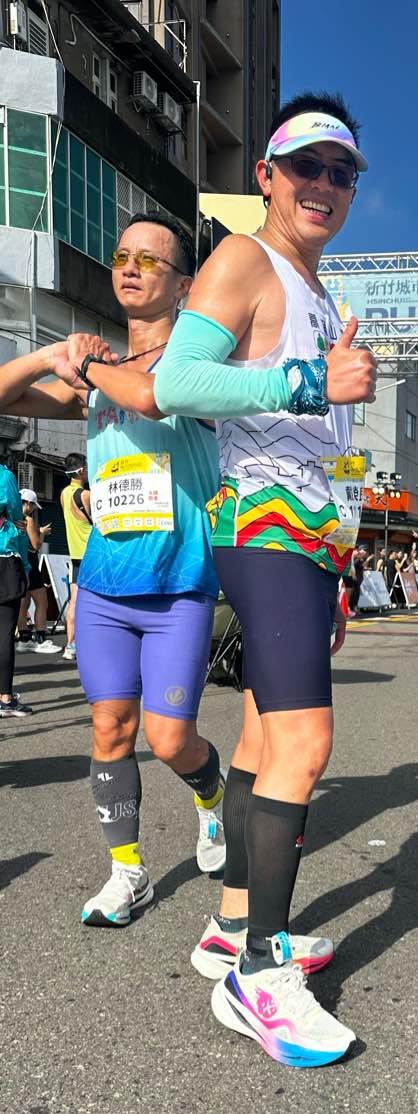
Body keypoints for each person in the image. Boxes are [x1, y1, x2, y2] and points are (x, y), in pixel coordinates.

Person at [153, 91, 377, 1068]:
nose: (324, 184)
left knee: (257, 738)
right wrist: (305, 381)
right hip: (262, 522)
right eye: (307, 166)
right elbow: (176, 382)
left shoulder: (319, 291)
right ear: (267, 177)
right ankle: (259, 976)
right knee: (305, 741)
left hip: (309, 537)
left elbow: (328, 448)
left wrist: (347, 547)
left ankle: (233, 923)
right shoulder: (244, 258)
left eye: (342, 171)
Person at [0, 213, 242, 925]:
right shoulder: (96, 375)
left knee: (169, 739)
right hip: (105, 587)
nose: (131, 268)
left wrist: (89, 368)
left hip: (178, 587)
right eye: (122, 256)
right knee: (110, 730)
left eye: (151, 260)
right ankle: (128, 873)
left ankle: (212, 795)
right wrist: (52, 355)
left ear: (185, 285)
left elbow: (150, 394)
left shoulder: (195, 368)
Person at [0, 463, 32, 717]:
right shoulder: (4, 476)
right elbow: (16, 515)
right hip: (4, 560)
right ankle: (5, 698)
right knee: (3, 633)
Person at [16, 488, 59, 654]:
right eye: (33, 505)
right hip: (31, 563)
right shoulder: (28, 520)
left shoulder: (12, 518)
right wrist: (41, 533)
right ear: (28, 503)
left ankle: (24, 638)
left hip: (17, 563)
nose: (34, 509)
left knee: (23, 603)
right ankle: (41, 638)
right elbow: (35, 545)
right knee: (42, 602)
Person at [60, 453, 92, 660]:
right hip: (91, 554)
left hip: (75, 555)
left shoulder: (64, 494)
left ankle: (70, 645)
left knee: (74, 601)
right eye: (86, 468)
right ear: (81, 471)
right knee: (95, 601)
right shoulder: (86, 495)